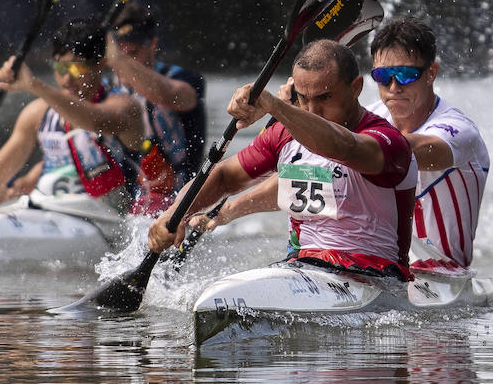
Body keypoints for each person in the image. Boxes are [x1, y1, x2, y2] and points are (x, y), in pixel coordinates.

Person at [147, 39, 418, 279]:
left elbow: (340, 147)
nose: (313, 110)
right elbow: (224, 176)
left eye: (324, 97)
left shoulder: (387, 141)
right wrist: (174, 215)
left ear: (356, 88)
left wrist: (274, 106)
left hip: (377, 274)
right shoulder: (283, 135)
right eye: (303, 98)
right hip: (303, 266)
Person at [0, 18, 147, 245]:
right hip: (42, 211)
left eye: (76, 66)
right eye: (59, 66)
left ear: (100, 64)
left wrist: (35, 85)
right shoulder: (37, 113)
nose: (66, 78)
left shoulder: (125, 107)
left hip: (103, 226)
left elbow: (95, 122)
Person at [368, 16, 490, 272]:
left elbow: (405, 152)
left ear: (431, 73)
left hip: (442, 273)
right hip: (378, 264)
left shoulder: (458, 130)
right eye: (382, 75)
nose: (393, 87)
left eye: (405, 74)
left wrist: (338, 139)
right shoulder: (369, 118)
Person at [105, 3, 207, 213]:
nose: (125, 64)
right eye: (119, 55)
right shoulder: (107, 88)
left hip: (175, 202)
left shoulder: (185, 80)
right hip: (121, 203)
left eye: (133, 53)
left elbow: (167, 94)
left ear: (153, 45)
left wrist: (116, 57)